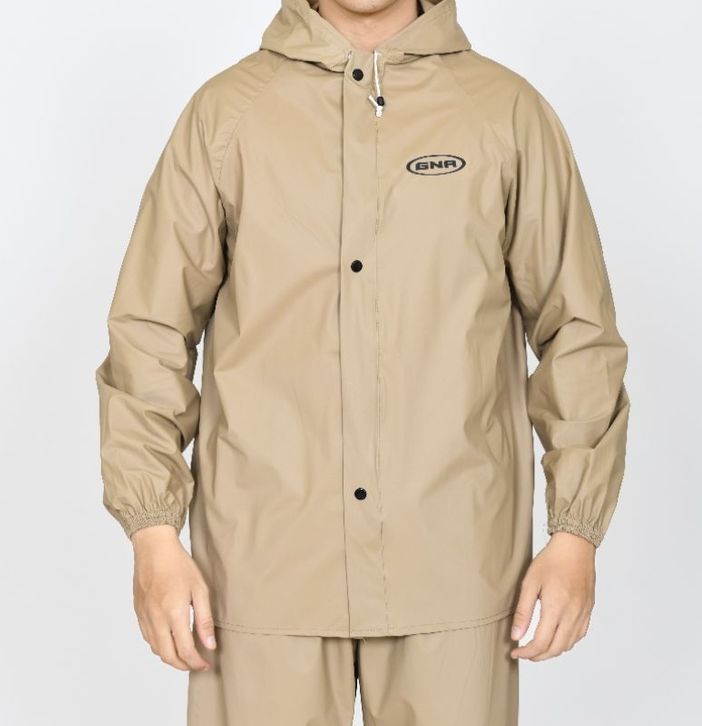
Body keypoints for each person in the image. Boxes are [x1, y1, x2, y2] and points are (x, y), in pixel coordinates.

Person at [95, 0, 630, 723]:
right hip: (261, 572)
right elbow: (150, 334)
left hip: (453, 565)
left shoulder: (505, 114)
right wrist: (153, 532)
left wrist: (576, 533)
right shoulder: (227, 117)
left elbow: (578, 330)